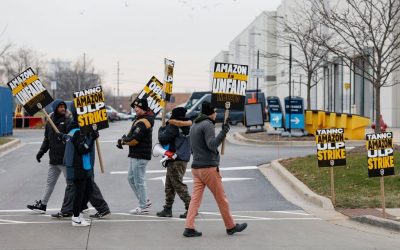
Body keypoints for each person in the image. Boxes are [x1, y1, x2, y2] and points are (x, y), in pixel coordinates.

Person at [183, 101, 247, 237]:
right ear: (210, 112)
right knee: (221, 198)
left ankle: (189, 227)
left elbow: (192, 147)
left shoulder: (195, 124)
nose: (216, 113)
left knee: (195, 199)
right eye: (215, 111)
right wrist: (224, 132)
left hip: (196, 168)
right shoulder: (207, 125)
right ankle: (230, 226)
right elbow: (212, 145)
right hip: (208, 168)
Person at [27, 100, 71, 213]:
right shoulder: (50, 122)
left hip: (65, 159)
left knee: (71, 184)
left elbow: (72, 138)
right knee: (50, 183)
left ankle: (82, 205)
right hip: (54, 160)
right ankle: (43, 205)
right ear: (55, 108)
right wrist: (41, 152)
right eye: (60, 107)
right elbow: (47, 139)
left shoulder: (68, 121)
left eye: (64, 107)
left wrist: (65, 138)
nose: (63, 109)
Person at [62, 106, 98, 226]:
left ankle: (79, 216)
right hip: (78, 167)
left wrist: (92, 135)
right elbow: (83, 148)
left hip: (84, 166)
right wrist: (91, 137)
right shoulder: (76, 131)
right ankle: (76, 217)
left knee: (87, 191)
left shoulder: (79, 131)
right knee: (80, 192)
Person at [117, 98, 154, 215]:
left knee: (138, 181)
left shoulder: (143, 122)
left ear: (143, 108)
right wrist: (124, 139)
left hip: (140, 155)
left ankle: (143, 206)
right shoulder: (140, 119)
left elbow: (134, 140)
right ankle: (144, 200)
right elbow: (131, 136)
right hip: (136, 154)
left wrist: (123, 142)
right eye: (135, 107)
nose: (135, 109)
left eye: (137, 108)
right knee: (131, 178)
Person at [156, 107, 192, 219]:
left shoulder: (174, 126)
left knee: (177, 184)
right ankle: (167, 208)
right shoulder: (187, 126)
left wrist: (161, 129)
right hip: (183, 158)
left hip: (175, 159)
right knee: (169, 185)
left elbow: (163, 139)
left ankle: (191, 208)